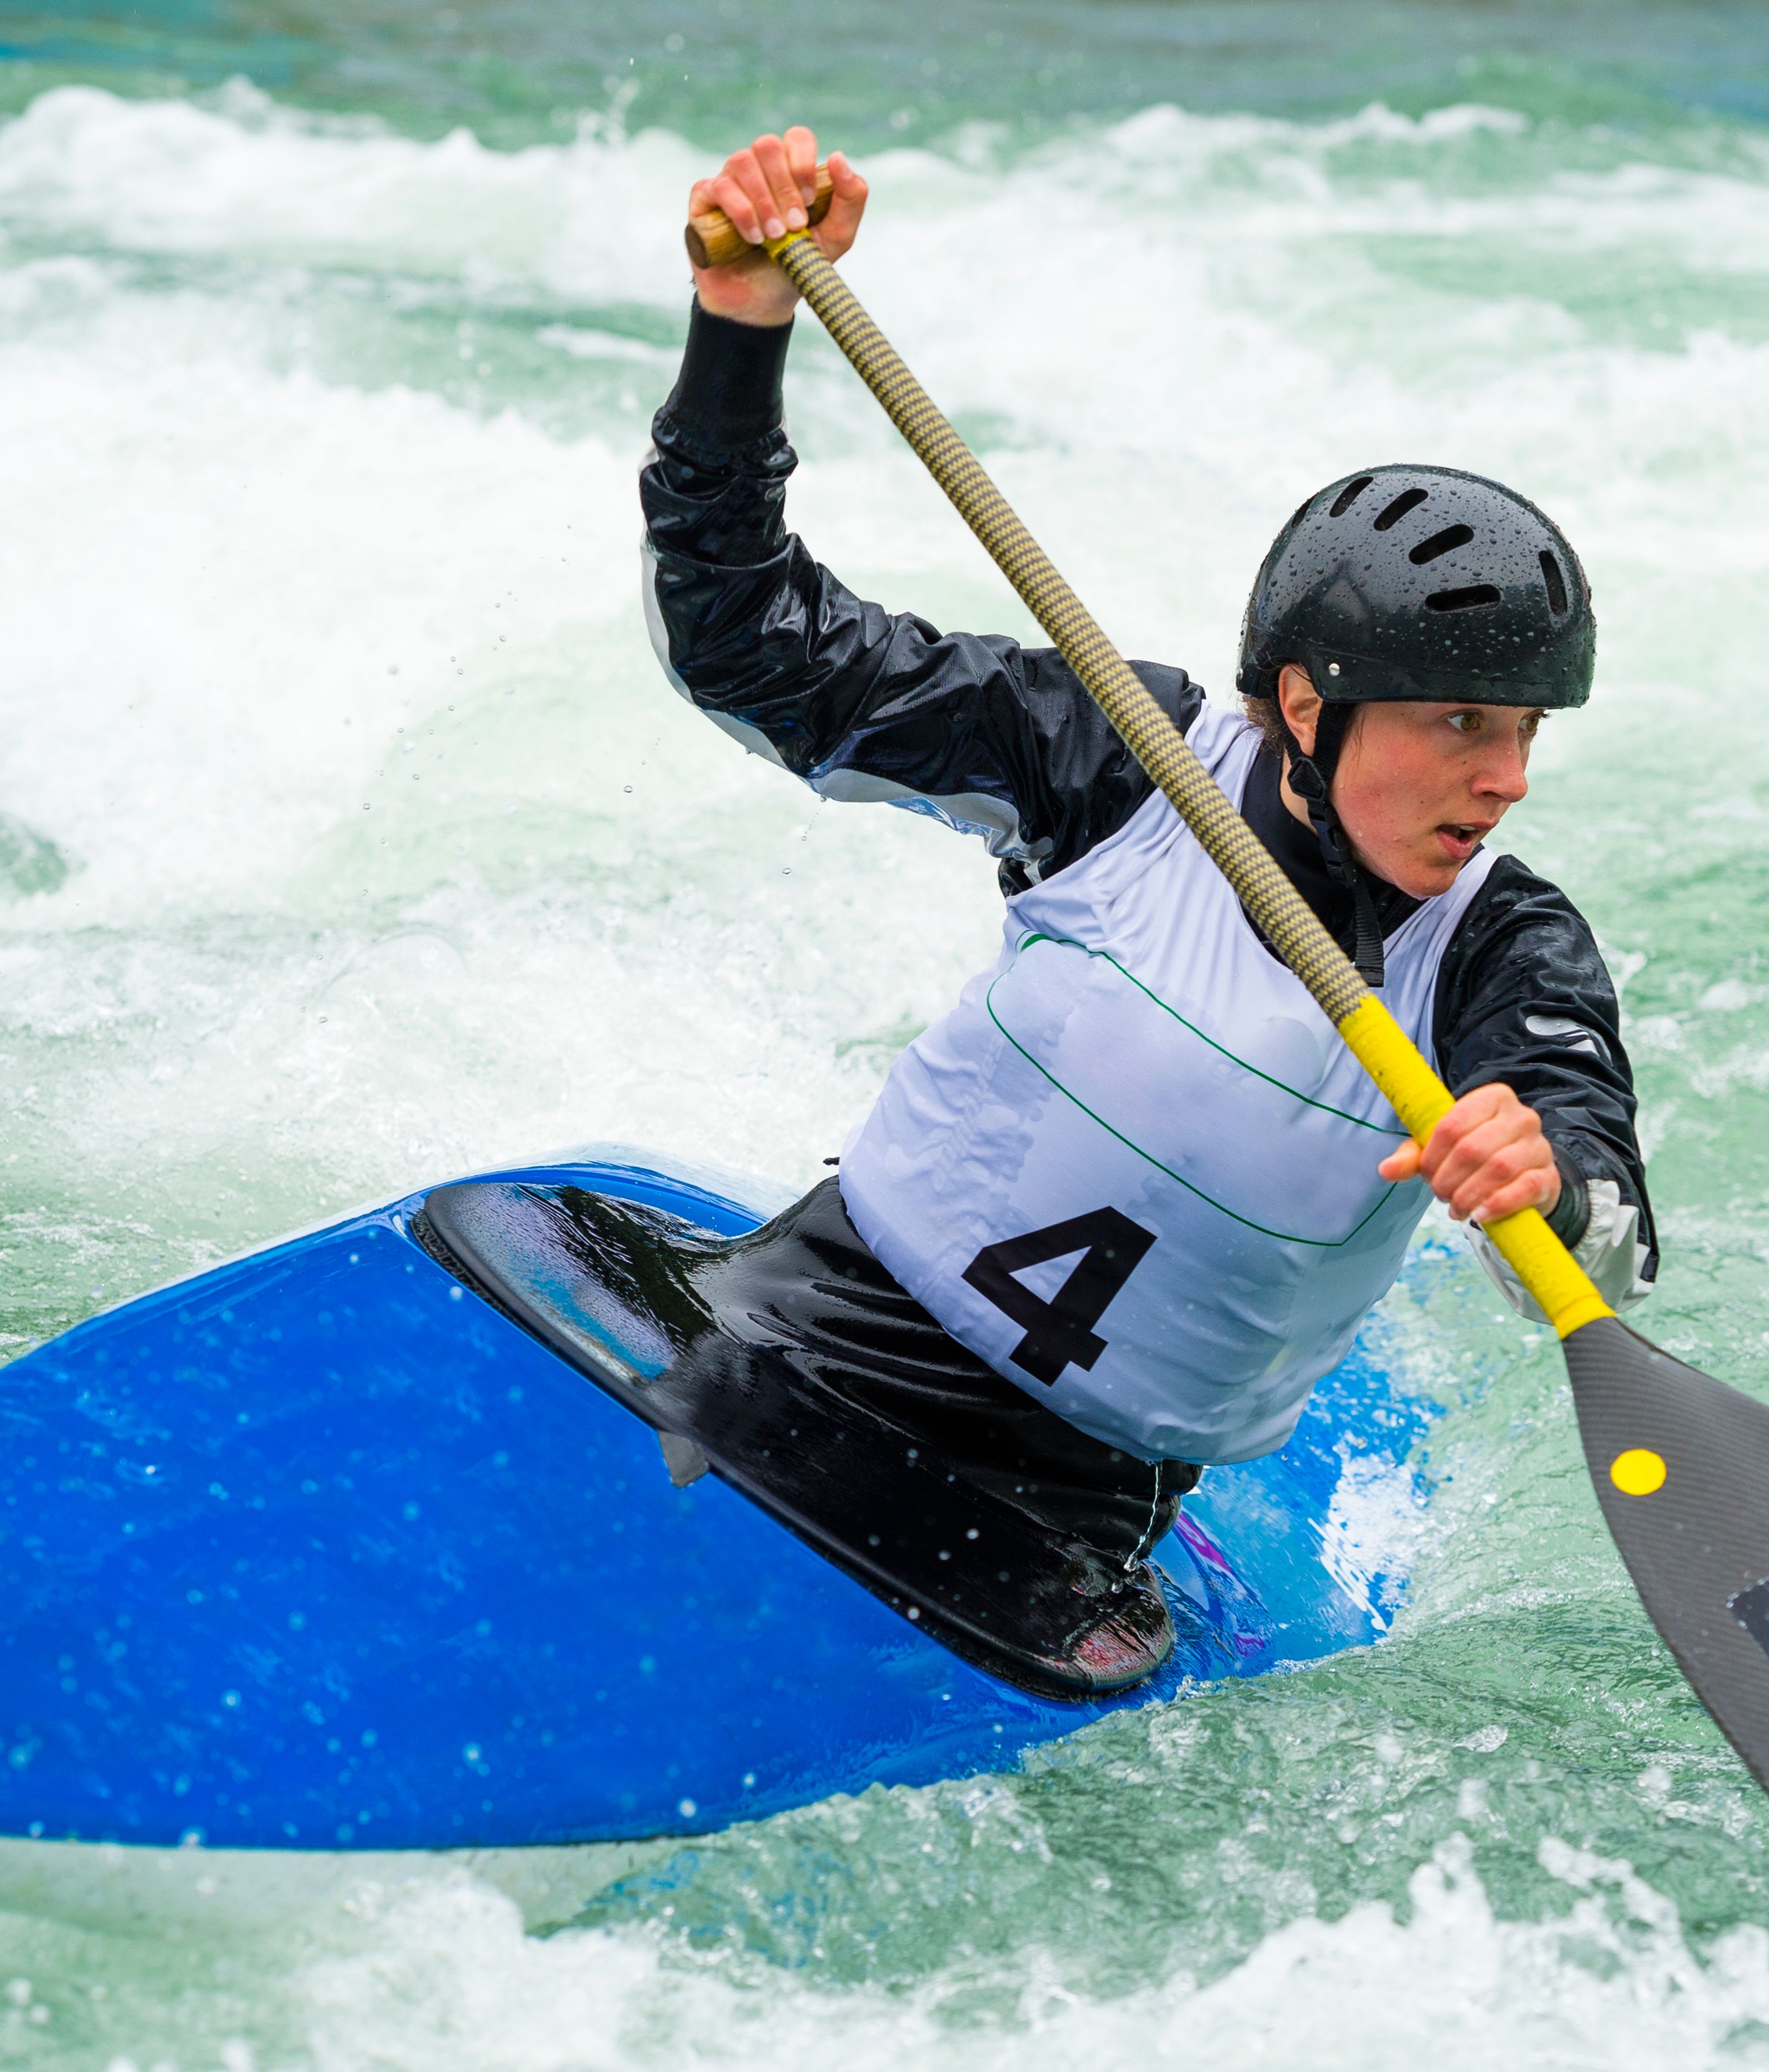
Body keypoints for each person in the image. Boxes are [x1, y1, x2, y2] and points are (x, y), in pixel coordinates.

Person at [634, 127, 1656, 1682]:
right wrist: (738, 323)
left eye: (1523, 734)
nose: (1504, 778)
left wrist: (1550, 1184)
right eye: (1461, 723)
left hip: (1053, 1527)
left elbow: (1609, 1226)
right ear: (1309, 705)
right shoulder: (1124, 756)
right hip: (782, 1334)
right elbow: (754, 654)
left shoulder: (1503, 949)